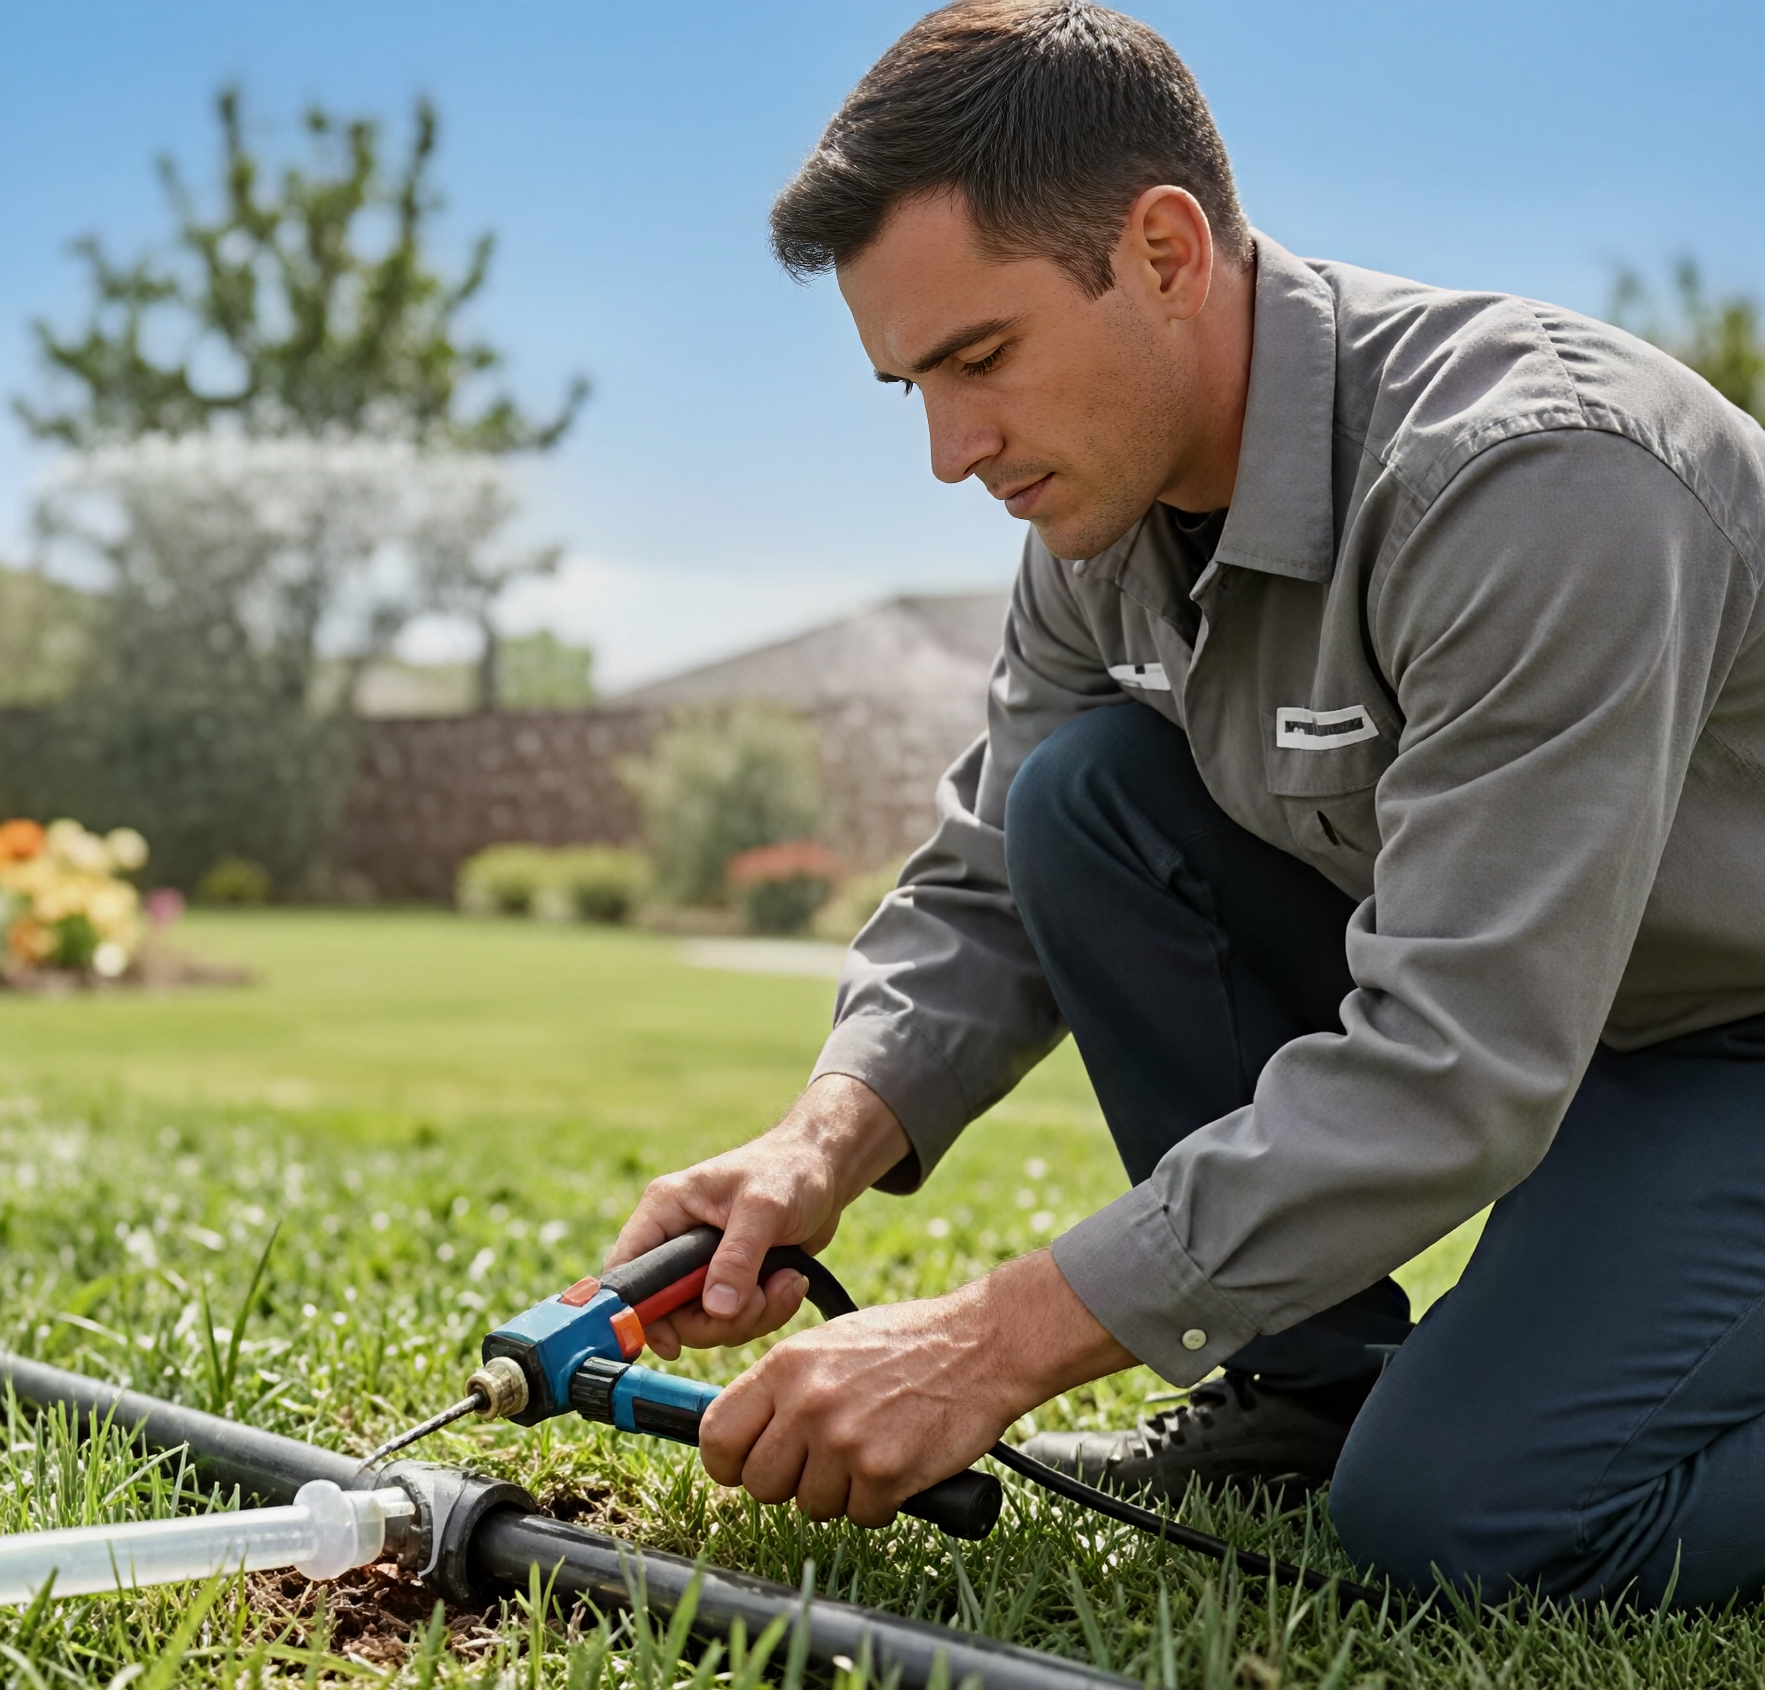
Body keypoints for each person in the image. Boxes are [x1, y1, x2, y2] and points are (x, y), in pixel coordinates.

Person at [609, 0, 1765, 1608]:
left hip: (1731, 1038)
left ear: (1163, 251)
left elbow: (1459, 1060)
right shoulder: (1101, 516)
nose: (951, 452)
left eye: (979, 358)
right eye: (908, 389)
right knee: (1087, 798)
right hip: (1569, 1025)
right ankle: (1304, 1394)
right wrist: (818, 1146)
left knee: (1463, 1519)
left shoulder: (1533, 479)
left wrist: (987, 1343)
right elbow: (993, 874)